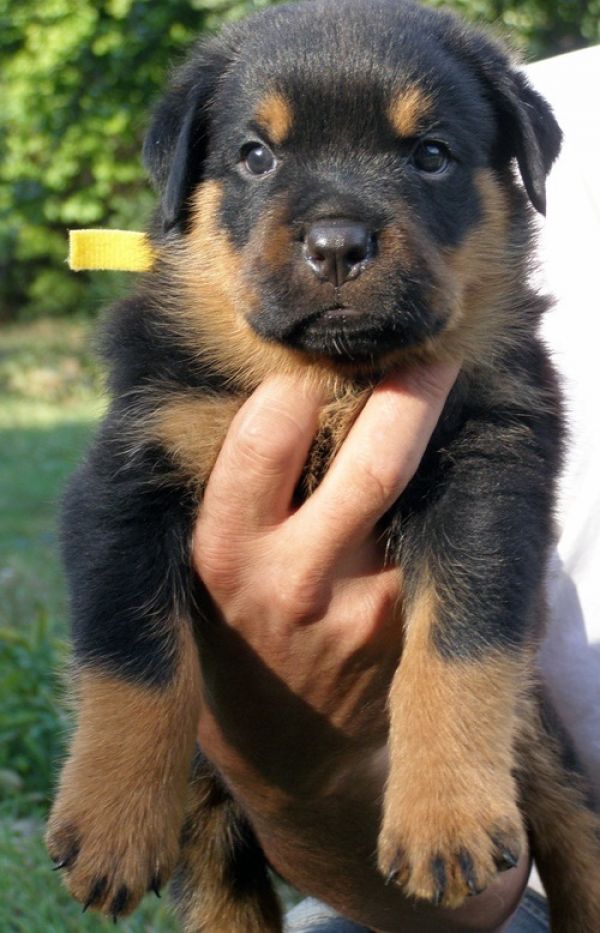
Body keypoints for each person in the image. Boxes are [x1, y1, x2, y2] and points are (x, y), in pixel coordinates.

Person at [192, 45, 600, 933]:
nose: (337, 236)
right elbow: (466, 896)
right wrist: (303, 769)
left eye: (429, 157)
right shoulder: (553, 95)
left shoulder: (500, 124)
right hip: (489, 878)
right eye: (258, 158)